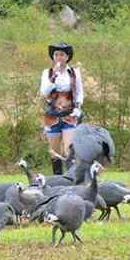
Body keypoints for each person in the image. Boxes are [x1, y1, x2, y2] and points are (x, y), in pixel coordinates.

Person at [40, 41, 84, 175]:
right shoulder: (47, 73)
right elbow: (44, 93)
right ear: (53, 57)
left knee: (69, 149)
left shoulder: (74, 73)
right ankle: (57, 178)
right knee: (55, 152)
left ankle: (72, 177)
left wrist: (78, 107)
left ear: (67, 57)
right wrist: (54, 76)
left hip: (69, 114)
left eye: (62, 55)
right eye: (56, 55)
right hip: (52, 114)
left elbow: (79, 92)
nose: (59, 58)